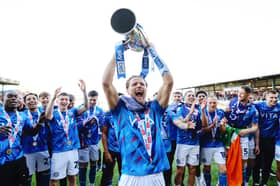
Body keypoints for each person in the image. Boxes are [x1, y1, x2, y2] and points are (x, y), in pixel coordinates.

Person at [102, 42, 173, 185]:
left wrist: (153, 51)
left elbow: (168, 82)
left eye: (142, 84)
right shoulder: (120, 110)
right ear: (127, 90)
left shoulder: (155, 109)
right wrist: (119, 52)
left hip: (156, 174)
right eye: (134, 84)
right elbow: (106, 83)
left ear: (146, 89)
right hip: (131, 175)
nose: (139, 85)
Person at [45, 80, 89, 186]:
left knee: (72, 177)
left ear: (69, 102)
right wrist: (53, 97)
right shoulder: (54, 113)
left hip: (73, 149)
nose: (64, 101)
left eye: (66, 99)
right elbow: (47, 116)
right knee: (54, 181)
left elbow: (86, 107)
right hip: (59, 151)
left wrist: (84, 92)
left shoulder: (72, 112)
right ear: (57, 101)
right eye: (62, 99)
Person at [0, 90, 45, 185]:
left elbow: (32, 132)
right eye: (10, 96)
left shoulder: (22, 116)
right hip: (2, 160)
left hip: (18, 158)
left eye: (16, 97)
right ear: (2, 98)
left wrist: (40, 122)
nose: (13, 98)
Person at [172, 90, 207, 186]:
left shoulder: (198, 109)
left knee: (192, 169)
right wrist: (190, 113)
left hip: (195, 143)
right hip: (182, 143)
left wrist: (203, 111)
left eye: (193, 95)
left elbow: (203, 125)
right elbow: (180, 122)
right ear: (184, 98)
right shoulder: (180, 108)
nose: (191, 97)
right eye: (189, 95)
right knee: (180, 169)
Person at [225, 85, 259, 185]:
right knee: (232, 159)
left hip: (245, 137)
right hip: (232, 135)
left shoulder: (253, 110)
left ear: (248, 95)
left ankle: (244, 181)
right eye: (239, 92)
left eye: (242, 93)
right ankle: (232, 180)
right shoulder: (232, 102)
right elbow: (227, 117)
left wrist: (246, 131)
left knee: (246, 161)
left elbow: (255, 127)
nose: (239, 94)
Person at [253, 90, 280, 186]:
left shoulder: (279, 106)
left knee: (268, 163)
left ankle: (264, 182)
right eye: (271, 97)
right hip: (259, 138)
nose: (274, 99)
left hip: (272, 139)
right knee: (257, 162)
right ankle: (255, 182)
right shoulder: (259, 105)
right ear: (266, 98)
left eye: (276, 97)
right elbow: (248, 103)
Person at [22, 93, 50, 186]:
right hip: (27, 150)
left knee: (44, 178)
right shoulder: (22, 115)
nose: (31, 101)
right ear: (25, 103)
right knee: (27, 178)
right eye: (28, 99)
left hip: (43, 149)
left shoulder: (45, 112)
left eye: (33, 98)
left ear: (37, 101)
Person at [78, 90, 104, 186]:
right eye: (90, 100)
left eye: (94, 100)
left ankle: (91, 184)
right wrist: (86, 122)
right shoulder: (80, 109)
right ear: (87, 99)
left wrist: (98, 139)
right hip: (83, 142)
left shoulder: (100, 111)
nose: (92, 102)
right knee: (83, 165)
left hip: (94, 142)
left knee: (93, 163)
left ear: (97, 99)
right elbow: (77, 126)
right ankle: (82, 184)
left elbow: (102, 126)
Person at [200, 95, 227, 186]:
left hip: (218, 144)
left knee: (223, 170)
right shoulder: (202, 112)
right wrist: (213, 125)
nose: (212, 104)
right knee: (207, 168)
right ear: (207, 103)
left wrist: (222, 126)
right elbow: (203, 129)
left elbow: (223, 132)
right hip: (206, 144)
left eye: (214, 102)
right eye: (210, 102)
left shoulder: (220, 113)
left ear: (217, 103)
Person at [162, 91, 183, 186]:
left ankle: (180, 182)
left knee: (181, 163)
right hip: (169, 140)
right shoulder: (168, 108)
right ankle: (167, 182)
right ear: (172, 97)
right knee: (168, 162)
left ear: (181, 97)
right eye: (175, 96)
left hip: (181, 139)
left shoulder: (184, 107)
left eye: (179, 96)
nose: (177, 98)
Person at [100, 110, 122, 186]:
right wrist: (106, 152)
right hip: (111, 150)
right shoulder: (107, 114)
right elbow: (104, 133)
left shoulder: (128, 113)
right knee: (106, 175)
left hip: (124, 151)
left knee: (125, 175)